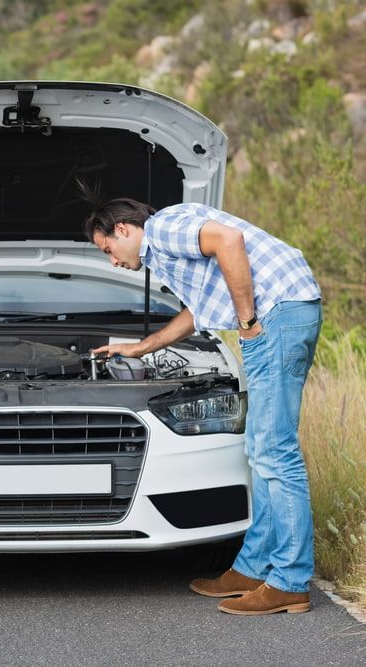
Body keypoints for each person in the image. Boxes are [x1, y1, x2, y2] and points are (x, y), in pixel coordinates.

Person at [83, 198, 322, 615]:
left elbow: (229, 240)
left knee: (276, 453)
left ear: (122, 229)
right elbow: (201, 309)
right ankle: (253, 568)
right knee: (262, 450)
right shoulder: (169, 242)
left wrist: (248, 322)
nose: (114, 262)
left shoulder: (161, 231)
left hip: (275, 316)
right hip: (283, 311)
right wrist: (142, 347)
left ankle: (290, 581)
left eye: (107, 250)